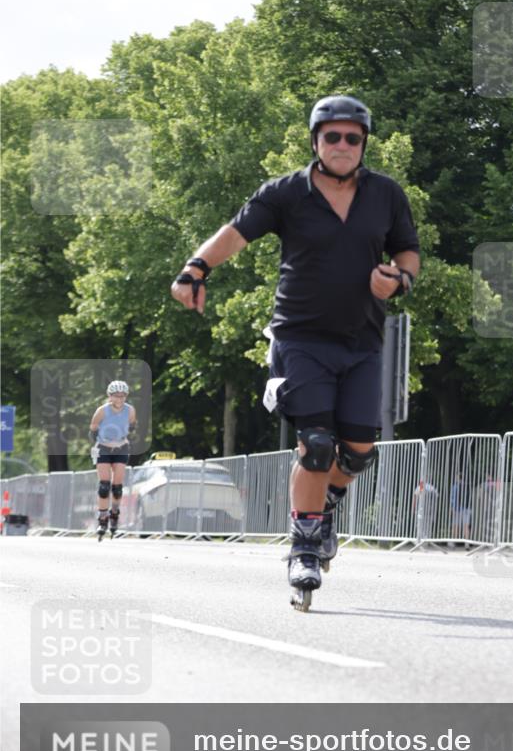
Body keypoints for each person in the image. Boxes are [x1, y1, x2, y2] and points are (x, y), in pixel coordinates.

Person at [171, 94, 420, 609]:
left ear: (363, 143)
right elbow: (236, 234)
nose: (344, 145)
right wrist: (195, 269)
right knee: (316, 444)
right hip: (300, 338)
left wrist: (400, 280)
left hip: (363, 342)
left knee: (358, 454)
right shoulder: (285, 193)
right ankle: (304, 547)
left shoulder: (385, 194)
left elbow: (408, 251)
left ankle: (324, 506)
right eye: (334, 136)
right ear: (316, 140)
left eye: (354, 137)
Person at [89, 380, 136, 540]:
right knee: (104, 486)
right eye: (116, 396)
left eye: (123, 396)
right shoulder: (102, 411)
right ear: (110, 396)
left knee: (117, 487)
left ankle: (114, 513)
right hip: (103, 448)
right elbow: (93, 429)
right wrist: (101, 444)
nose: (120, 399)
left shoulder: (130, 411)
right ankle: (102, 518)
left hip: (121, 447)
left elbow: (132, 426)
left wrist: (121, 438)